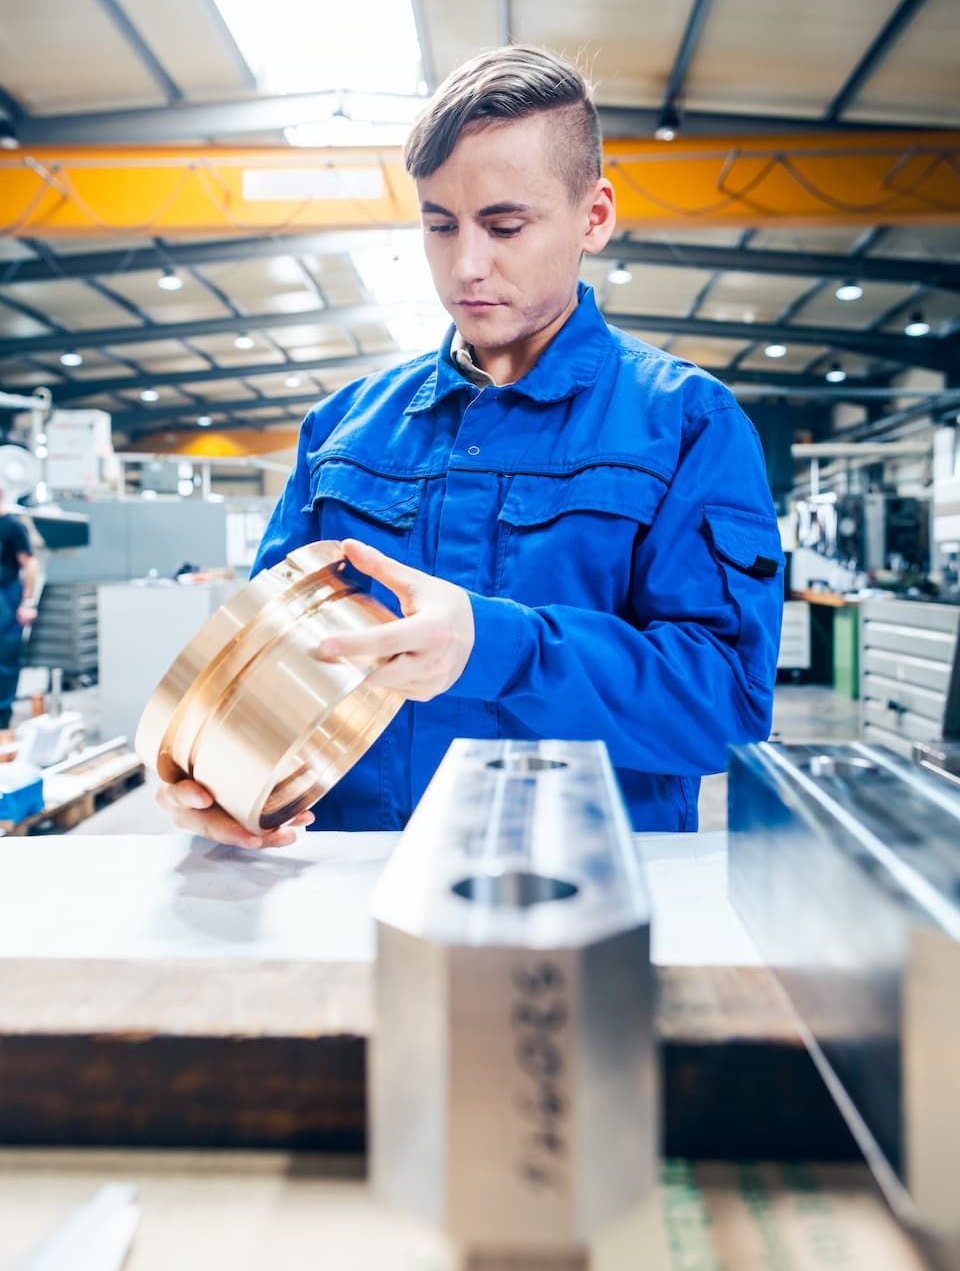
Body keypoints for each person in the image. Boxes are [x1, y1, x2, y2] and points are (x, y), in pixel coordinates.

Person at [158, 45, 783, 850]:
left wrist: (499, 649)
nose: (466, 265)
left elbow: (726, 708)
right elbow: (262, 671)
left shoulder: (686, 424)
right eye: (439, 224)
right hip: (354, 883)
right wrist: (214, 775)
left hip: (581, 891)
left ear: (594, 216)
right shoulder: (344, 429)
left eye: (505, 225)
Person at [0, 486, 39, 730]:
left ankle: (2, 717)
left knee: (5, 659)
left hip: (6, 597)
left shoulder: (13, 526)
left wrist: (27, 602)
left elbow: (30, 563)